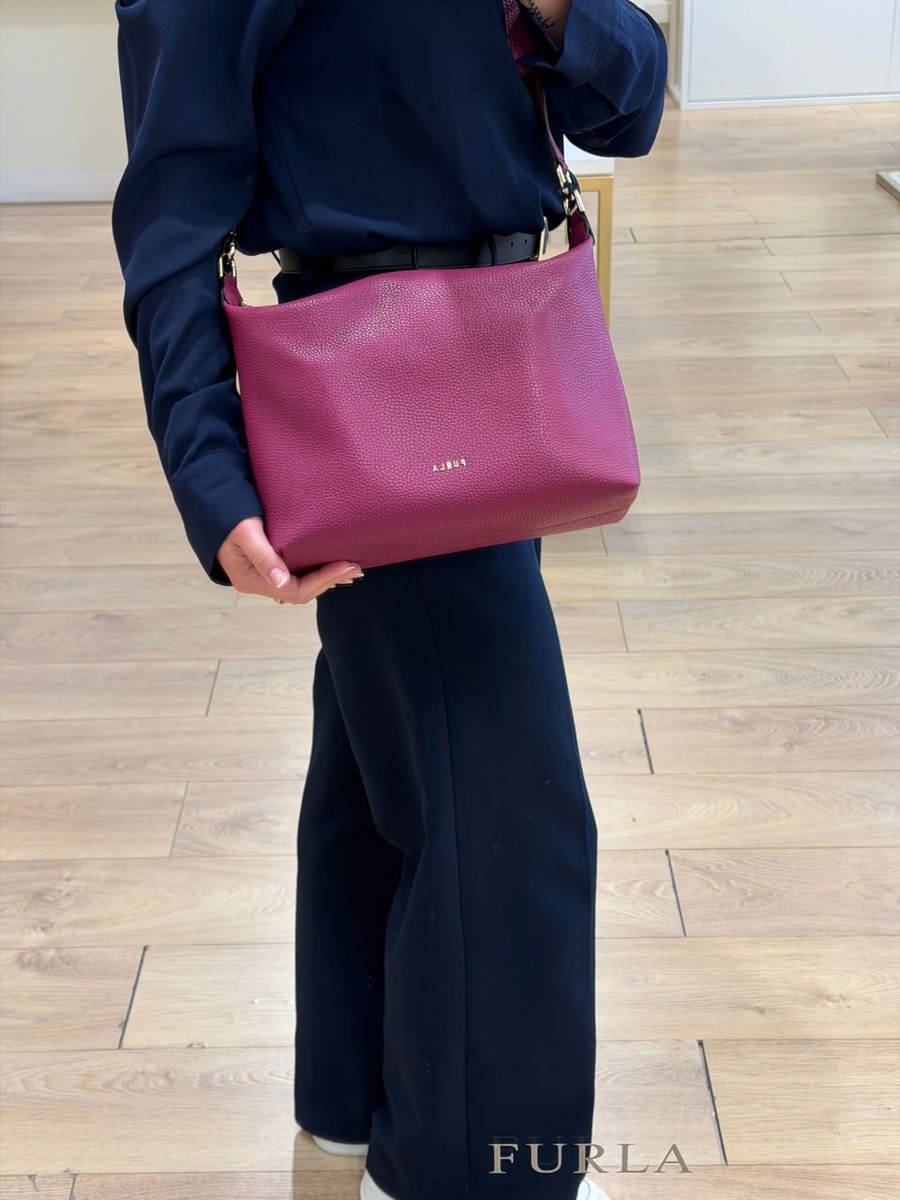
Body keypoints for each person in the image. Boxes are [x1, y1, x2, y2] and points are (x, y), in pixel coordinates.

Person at [111, 2, 667, 1197]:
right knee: (510, 828)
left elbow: (629, 105)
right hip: (371, 392)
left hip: (505, 365)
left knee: (395, 760)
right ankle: (483, 1176)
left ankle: (353, 1101)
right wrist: (211, 475)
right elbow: (172, 206)